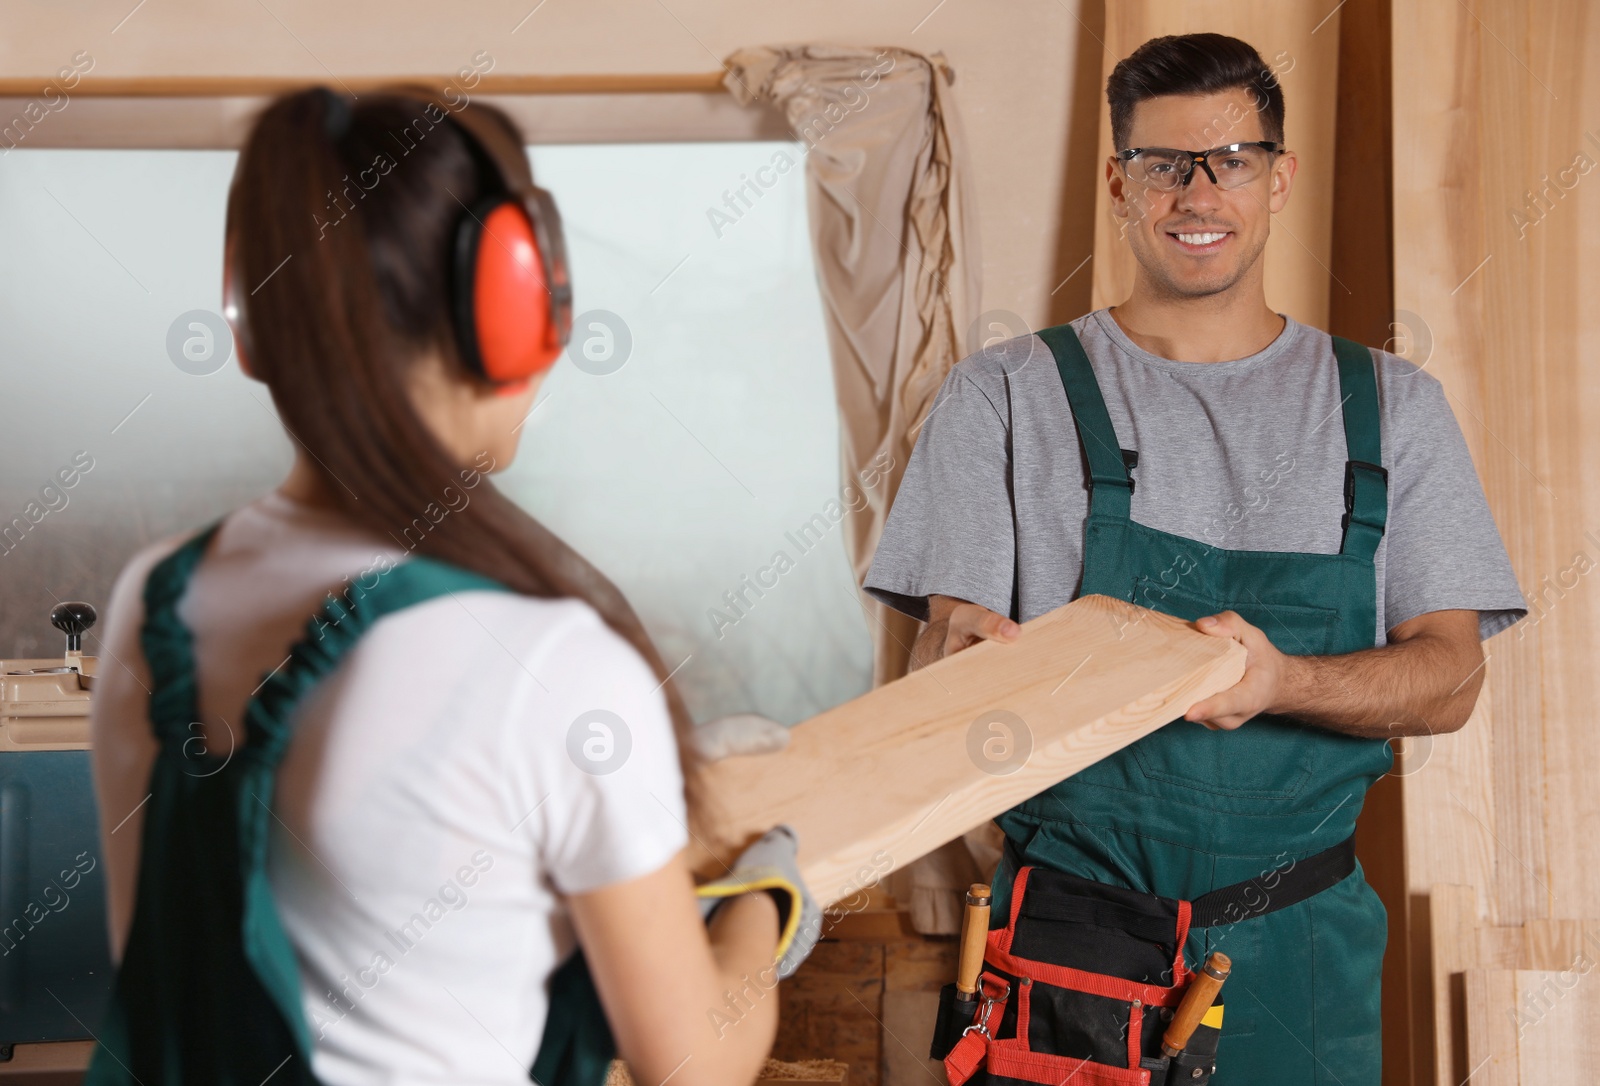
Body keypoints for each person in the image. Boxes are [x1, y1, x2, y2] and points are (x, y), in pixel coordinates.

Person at [87, 86, 815, 1086]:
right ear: (518, 306)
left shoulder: (151, 598)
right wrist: (763, 906)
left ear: (253, 316)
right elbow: (692, 1063)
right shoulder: (548, 667)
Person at [865, 33, 1526, 1086]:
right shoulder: (1003, 396)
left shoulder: (1393, 410)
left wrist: (1281, 682)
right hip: (1068, 945)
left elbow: (1449, 677)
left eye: (1231, 160)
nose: (1197, 192)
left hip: (1299, 948)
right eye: (1165, 164)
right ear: (1119, 183)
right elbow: (939, 662)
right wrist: (964, 666)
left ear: (1278, 179)